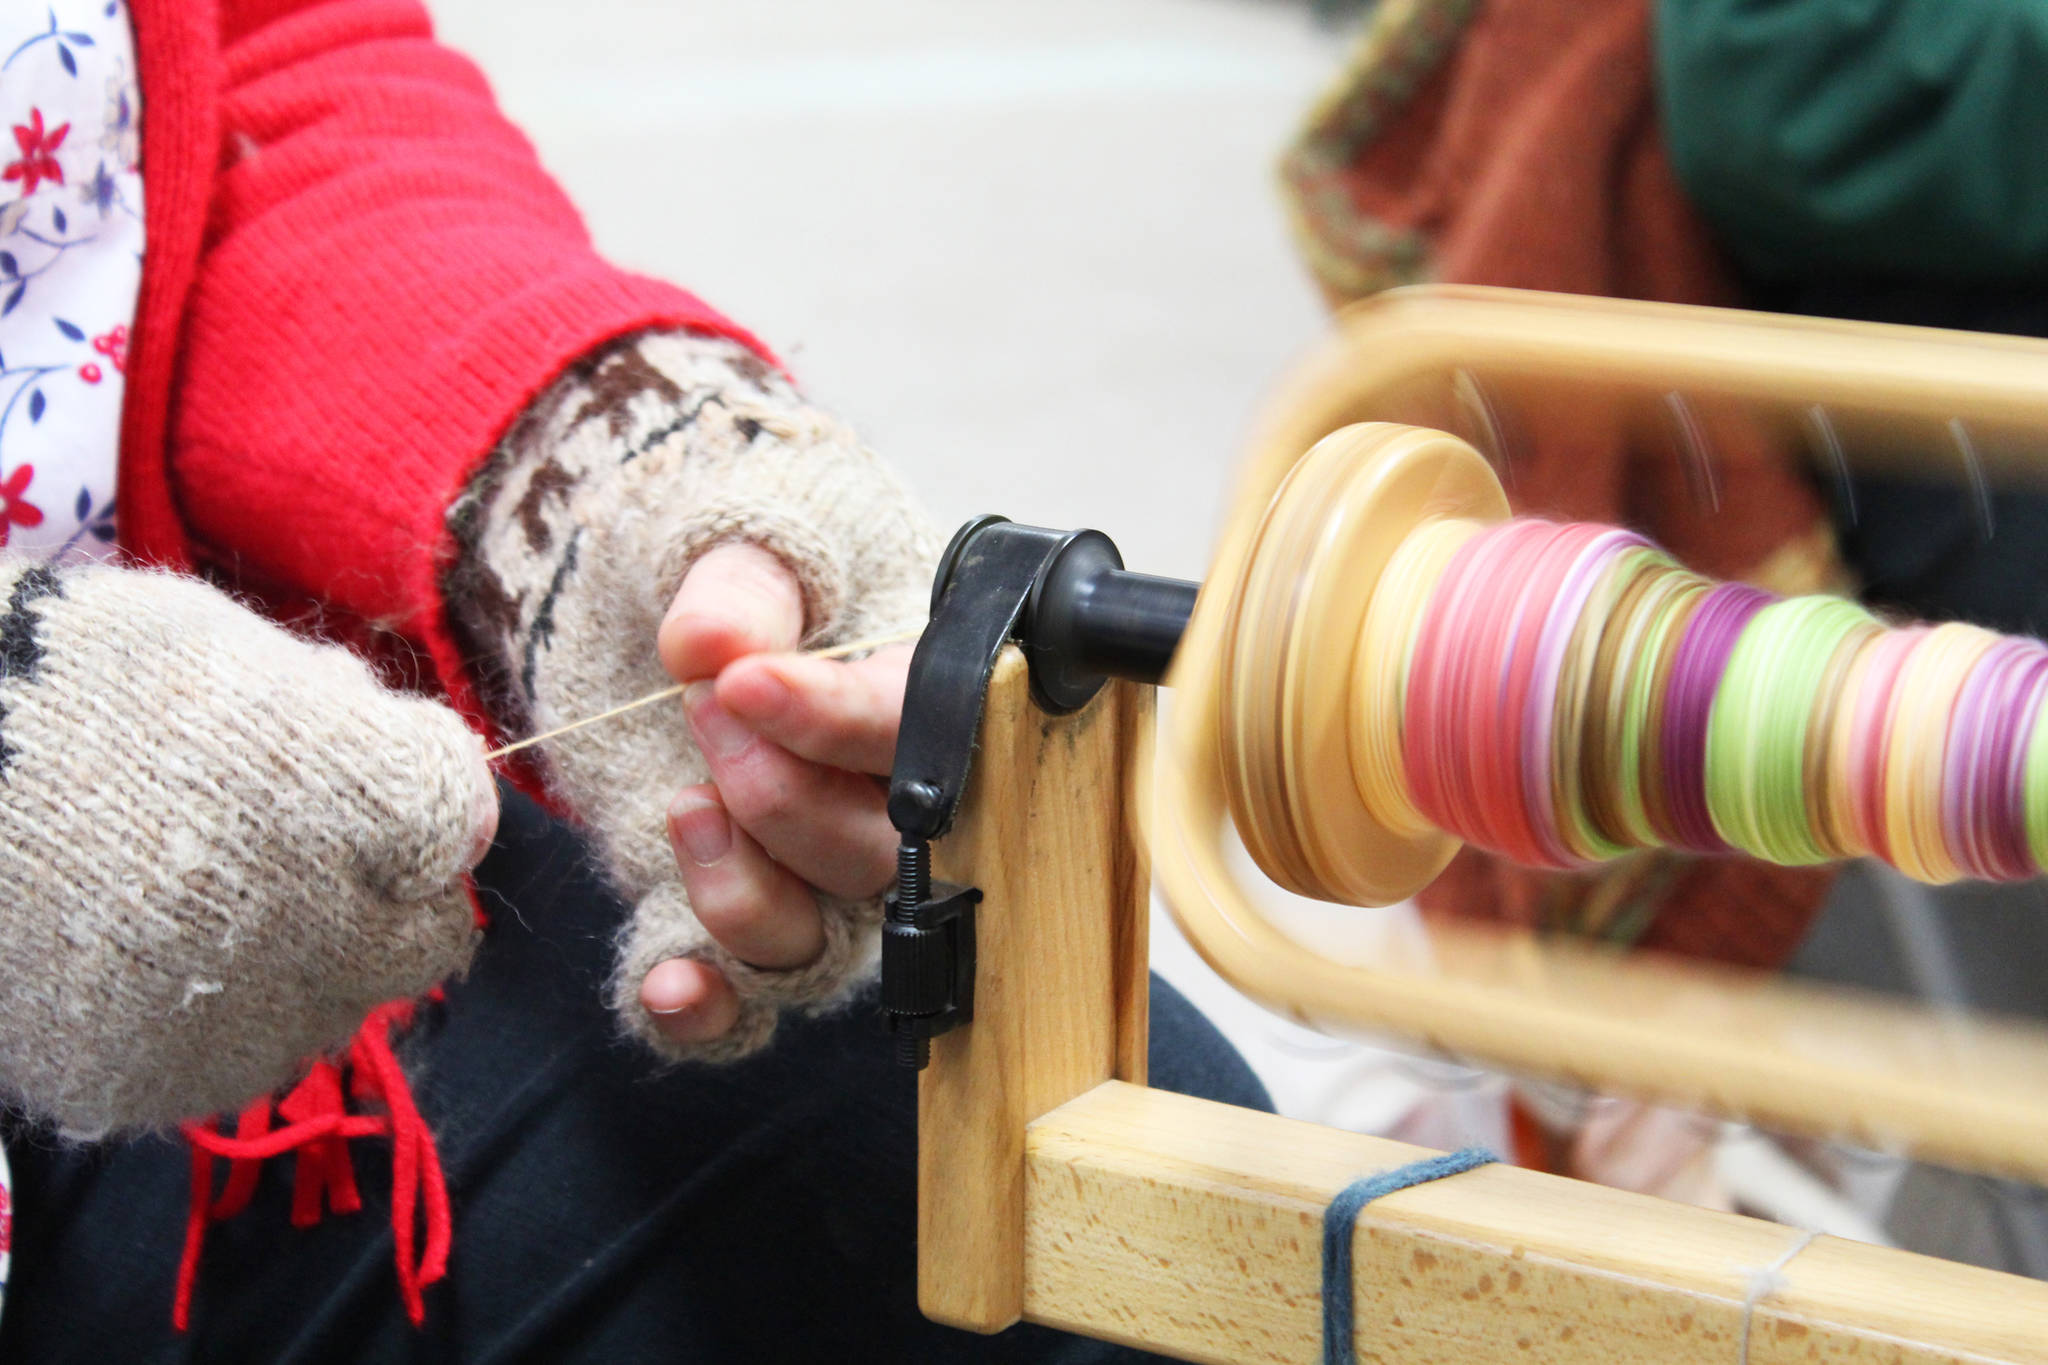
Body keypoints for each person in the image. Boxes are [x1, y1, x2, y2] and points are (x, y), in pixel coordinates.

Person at [0, 0, 1270, 1354]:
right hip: (84, 909)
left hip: (205, 885)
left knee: (1142, 1215)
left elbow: (246, 78)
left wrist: (601, 469)